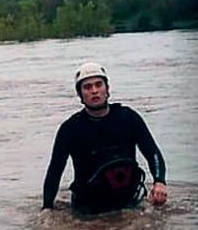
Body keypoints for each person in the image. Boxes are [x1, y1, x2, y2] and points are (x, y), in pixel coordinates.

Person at [41, 62, 168, 214]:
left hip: (129, 203)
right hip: (88, 209)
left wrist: (159, 181)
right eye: (87, 87)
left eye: (98, 85)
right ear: (80, 94)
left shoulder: (129, 118)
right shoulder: (70, 129)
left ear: (107, 89)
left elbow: (152, 153)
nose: (94, 91)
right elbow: (55, 170)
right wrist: (47, 208)